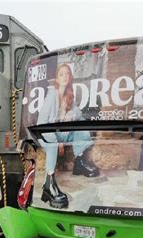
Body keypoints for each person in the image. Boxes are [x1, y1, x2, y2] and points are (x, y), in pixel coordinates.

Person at [37, 63, 99, 209]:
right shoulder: (52, 96)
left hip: (62, 134)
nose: (65, 76)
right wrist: (56, 142)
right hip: (48, 135)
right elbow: (42, 124)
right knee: (52, 146)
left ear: (70, 77)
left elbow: (79, 114)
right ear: (57, 79)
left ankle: (80, 163)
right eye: (61, 74)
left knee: (82, 125)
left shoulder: (70, 95)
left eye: (67, 74)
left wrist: (72, 114)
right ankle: (49, 183)